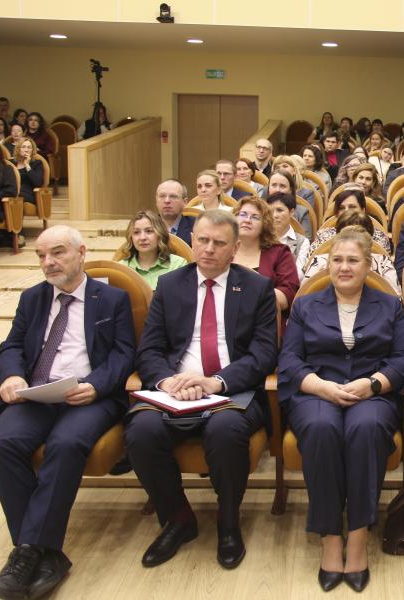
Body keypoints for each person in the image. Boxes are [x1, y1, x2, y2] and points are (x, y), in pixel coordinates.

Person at [0, 225, 135, 600]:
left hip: (88, 396)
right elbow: (11, 346)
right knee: (1, 445)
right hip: (37, 394)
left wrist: (96, 385)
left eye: (57, 253)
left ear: (81, 253)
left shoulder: (112, 299)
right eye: (41, 255)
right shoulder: (33, 298)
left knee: (66, 445)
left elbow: (123, 355)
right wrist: (12, 375)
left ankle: (26, 555)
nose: (48, 262)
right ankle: (41, 553)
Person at [126, 209, 278, 570]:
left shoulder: (256, 287)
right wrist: (167, 382)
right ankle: (178, 519)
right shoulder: (170, 285)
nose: (209, 249)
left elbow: (263, 353)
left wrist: (216, 382)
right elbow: (149, 349)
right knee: (140, 431)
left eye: (219, 243)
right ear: (192, 241)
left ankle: (228, 521)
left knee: (225, 430)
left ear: (235, 248)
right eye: (203, 240)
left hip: (230, 390)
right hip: (174, 389)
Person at [278, 226, 404, 593]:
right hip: (316, 391)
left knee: (365, 428)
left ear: (368, 265)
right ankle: (329, 536)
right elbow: (289, 361)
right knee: (321, 429)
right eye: (337, 260)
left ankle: (357, 536)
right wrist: (319, 386)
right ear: (327, 265)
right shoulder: (305, 305)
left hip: (371, 393)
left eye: (353, 260)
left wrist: (373, 384)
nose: (344, 267)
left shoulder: (389, 305)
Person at [232, 197, 300, 314]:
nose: (247, 220)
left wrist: (246, 292)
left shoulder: (280, 253)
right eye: (243, 214)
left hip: (265, 318)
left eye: (255, 217)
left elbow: (287, 296)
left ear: (265, 224)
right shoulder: (223, 249)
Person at [304, 211, 399, 293]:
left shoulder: (383, 262)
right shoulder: (319, 261)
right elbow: (305, 293)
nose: (352, 239)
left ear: (370, 238)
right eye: (346, 235)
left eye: (359, 235)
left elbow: (395, 296)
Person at [118, 210, 187, 289]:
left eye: (149, 231)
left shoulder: (178, 265)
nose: (142, 238)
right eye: (136, 232)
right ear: (131, 237)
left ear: (160, 234)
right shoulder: (121, 268)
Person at [313, 187, 392, 255]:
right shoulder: (323, 236)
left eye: (352, 207)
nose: (346, 211)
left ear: (363, 210)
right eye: (341, 208)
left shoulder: (379, 237)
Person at [266, 192, 311, 280]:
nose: (274, 215)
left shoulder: (302, 242)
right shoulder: (259, 237)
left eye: (279, 210)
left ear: (291, 212)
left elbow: (298, 275)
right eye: (270, 211)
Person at [266, 170, 313, 238]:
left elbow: (306, 239)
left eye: (282, 186)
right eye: (274, 185)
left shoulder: (302, 212)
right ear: (268, 188)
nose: (277, 190)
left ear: (290, 190)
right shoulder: (259, 209)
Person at [155, 179, 194, 245]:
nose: (167, 201)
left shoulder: (196, 227)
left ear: (184, 202)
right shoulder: (148, 226)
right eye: (162, 196)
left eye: (173, 196)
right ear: (156, 201)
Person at [10, 138, 45, 206]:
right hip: (11, 191)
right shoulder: (11, 163)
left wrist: (27, 165)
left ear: (32, 150)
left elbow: (38, 183)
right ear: (18, 149)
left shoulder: (37, 163)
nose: (26, 150)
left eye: (29, 148)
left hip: (27, 194)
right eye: (23, 147)